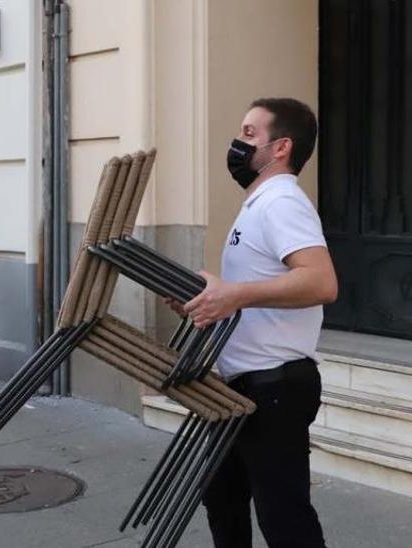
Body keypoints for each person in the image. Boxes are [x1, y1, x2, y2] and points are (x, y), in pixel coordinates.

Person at [167, 98, 336, 547]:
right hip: (243, 386)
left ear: (280, 147)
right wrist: (204, 301)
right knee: (222, 498)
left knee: (284, 519)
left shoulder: (281, 202)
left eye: (248, 134)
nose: (237, 144)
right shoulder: (259, 202)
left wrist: (234, 294)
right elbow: (251, 291)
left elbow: (321, 282)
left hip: (275, 388)